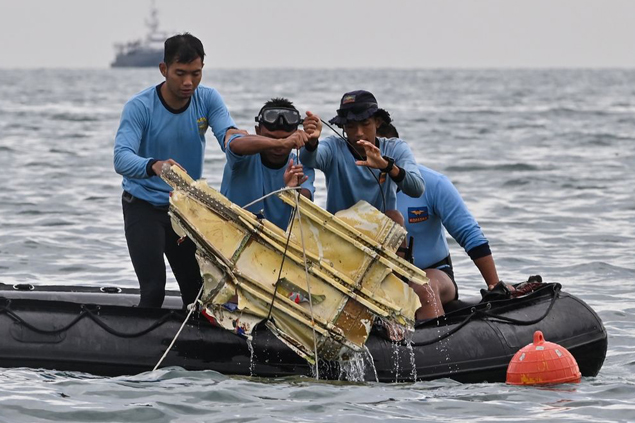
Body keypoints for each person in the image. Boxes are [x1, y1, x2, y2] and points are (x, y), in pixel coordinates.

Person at [113, 33, 239, 308]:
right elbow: (121, 159)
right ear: (163, 69)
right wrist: (154, 165)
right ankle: (144, 349)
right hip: (143, 206)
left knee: (198, 295)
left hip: (184, 210)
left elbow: (228, 136)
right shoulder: (139, 107)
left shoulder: (207, 99)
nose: (188, 83)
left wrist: (265, 143)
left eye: (196, 74)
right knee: (154, 290)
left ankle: (191, 349)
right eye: (180, 73)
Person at [375, 122, 502, 320]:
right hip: (377, 277)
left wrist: (494, 284)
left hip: (434, 273)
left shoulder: (434, 183)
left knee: (422, 289)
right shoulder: (357, 190)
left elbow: (469, 234)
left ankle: (439, 347)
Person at [300, 90, 424, 220]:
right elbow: (309, 160)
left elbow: (417, 189)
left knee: (395, 217)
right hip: (340, 231)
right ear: (343, 127)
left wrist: (387, 166)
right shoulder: (333, 147)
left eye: (365, 124)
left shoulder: (395, 148)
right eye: (351, 126)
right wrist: (312, 142)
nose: (359, 133)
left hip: (382, 232)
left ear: (378, 122)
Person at [220, 98, 317, 229]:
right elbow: (234, 144)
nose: (279, 147)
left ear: (296, 135)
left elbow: (307, 199)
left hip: (276, 244)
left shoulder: (300, 166)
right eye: (270, 137)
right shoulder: (242, 156)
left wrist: (292, 191)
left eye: (286, 138)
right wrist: (282, 142)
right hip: (230, 234)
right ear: (257, 131)